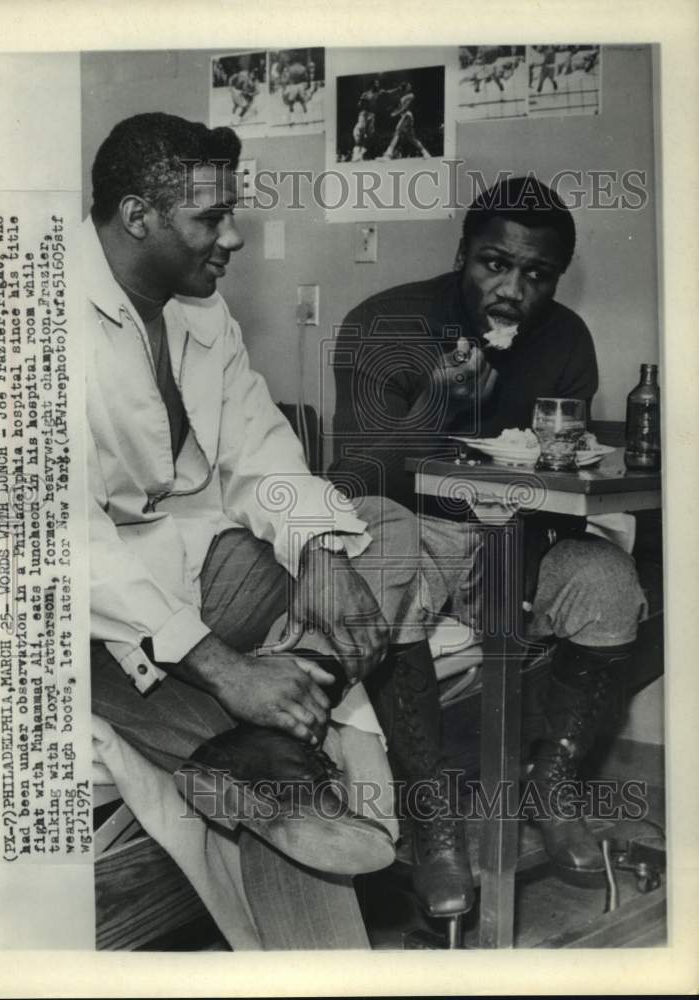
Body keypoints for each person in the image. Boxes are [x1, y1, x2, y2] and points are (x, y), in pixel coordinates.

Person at [84, 112, 462, 949]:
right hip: (95, 611)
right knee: (272, 758)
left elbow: (260, 450)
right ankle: (267, 753)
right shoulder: (43, 319)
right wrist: (223, 669)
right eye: (210, 218)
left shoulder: (198, 311)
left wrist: (319, 549)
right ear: (138, 215)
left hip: (207, 563)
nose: (234, 238)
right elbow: (62, 544)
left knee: (384, 527)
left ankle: (277, 721)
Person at [328, 177, 647, 907]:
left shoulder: (567, 339)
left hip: (522, 543)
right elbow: (348, 482)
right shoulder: (388, 321)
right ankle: (432, 814)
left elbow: (563, 487)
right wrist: (442, 405)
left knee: (610, 583)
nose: (512, 289)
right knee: (389, 555)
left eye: (537, 275)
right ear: (462, 254)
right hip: (417, 534)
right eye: (493, 264)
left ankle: (552, 780)